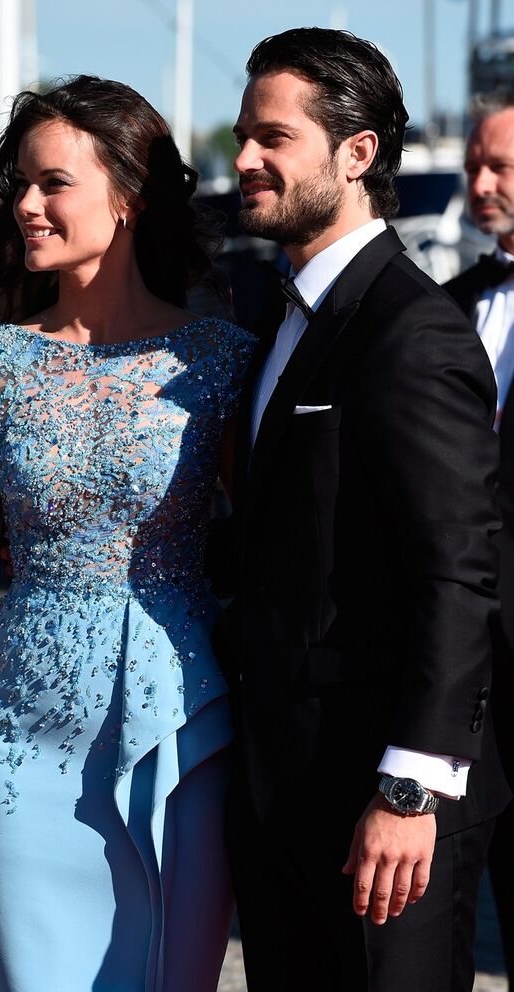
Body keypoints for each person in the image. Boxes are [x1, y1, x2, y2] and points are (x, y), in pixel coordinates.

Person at [0, 75, 256, 992]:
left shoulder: (219, 361)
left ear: (129, 195)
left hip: (183, 730)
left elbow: (273, 556)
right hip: (20, 738)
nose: (26, 205)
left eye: (53, 183)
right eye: (19, 184)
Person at [219, 27, 511, 992]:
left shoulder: (412, 329)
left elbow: (456, 573)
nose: (245, 158)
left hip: (383, 811)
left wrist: (410, 785)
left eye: (273, 137)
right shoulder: (279, 316)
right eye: (243, 134)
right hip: (280, 789)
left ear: (357, 153)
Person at [444, 89, 514, 987]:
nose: (481, 183)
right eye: (473, 166)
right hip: (462, 673)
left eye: (500, 166)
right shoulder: (446, 306)